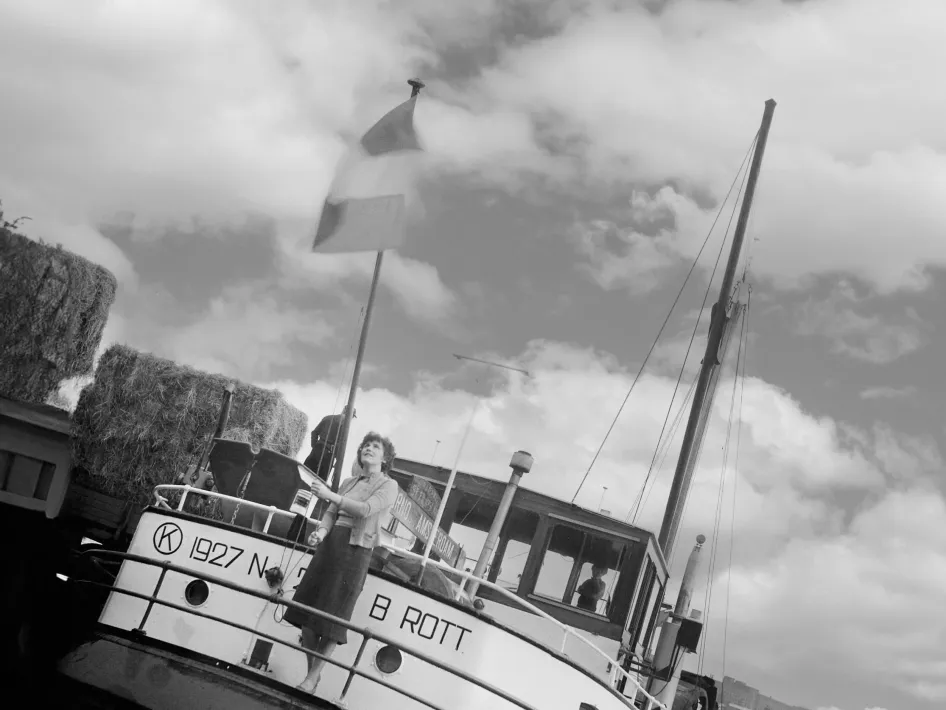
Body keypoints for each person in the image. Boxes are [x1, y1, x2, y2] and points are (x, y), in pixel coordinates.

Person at [284, 431, 399, 694]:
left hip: (355, 552)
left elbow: (365, 510)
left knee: (334, 619)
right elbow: (331, 513)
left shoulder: (388, 485)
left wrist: (329, 494)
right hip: (331, 545)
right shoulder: (348, 482)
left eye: (375, 446)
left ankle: (312, 678)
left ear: (386, 458)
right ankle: (313, 674)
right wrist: (321, 532)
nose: (368, 448)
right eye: (366, 445)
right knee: (307, 612)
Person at [303, 406, 355, 483]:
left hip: (317, 450)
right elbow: (340, 447)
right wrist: (338, 461)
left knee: (304, 474)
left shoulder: (328, 418)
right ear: (350, 416)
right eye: (352, 417)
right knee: (319, 483)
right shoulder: (345, 428)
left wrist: (314, 446)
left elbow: (314, 433)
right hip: (328, 457)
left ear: (343, 410)